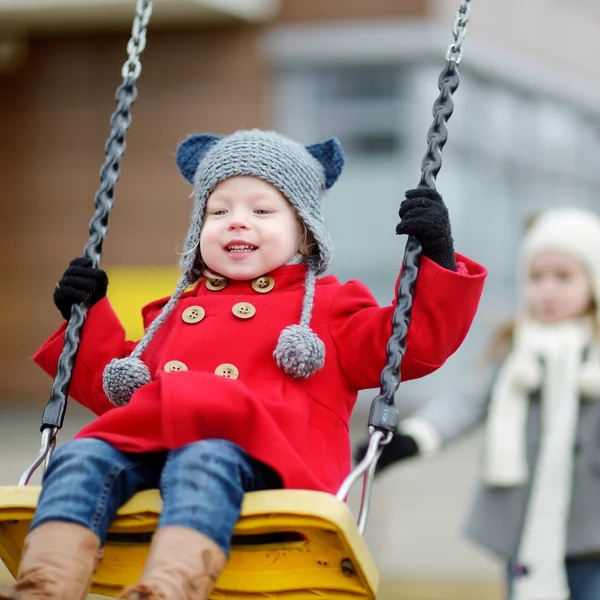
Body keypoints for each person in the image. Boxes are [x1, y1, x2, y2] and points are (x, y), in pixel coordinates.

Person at [1, 129, 486, 600]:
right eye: (218, 211)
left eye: (261, 210)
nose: (236, 221)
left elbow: (413, 344)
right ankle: (44, 586)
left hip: (270, 474)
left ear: (306, 236)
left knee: (205, 458)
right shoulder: (170, 313)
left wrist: (436, 257)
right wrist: (85, 316)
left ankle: (166, 590)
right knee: (80, 457)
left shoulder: (329, 313)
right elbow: (117, 392)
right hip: (155, 459)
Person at [355, 207, 600, 600]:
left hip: (592, 530)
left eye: (564, 277)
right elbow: (468, 403)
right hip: (526, 527)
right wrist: (415, 438)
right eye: (537, 277)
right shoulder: (518, 349)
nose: (548, 290)